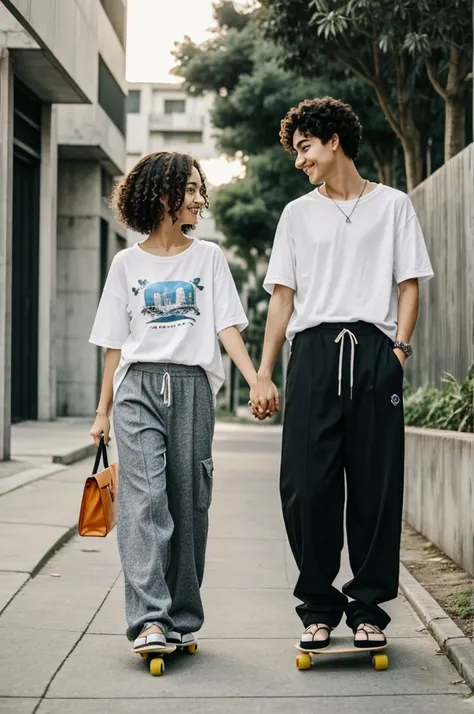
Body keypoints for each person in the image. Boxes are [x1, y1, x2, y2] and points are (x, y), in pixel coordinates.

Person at [250, 97, 434, 651]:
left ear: (333, 140)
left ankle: (369, 609)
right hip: (313, 354)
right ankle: (319, 606)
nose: (299, 161)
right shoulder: (296, 215)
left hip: (375, 352)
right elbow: (282, 300)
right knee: (306, 488)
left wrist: (397, 352)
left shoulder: (394, 206)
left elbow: (409, 284)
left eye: (305, 148)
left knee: (376, 486)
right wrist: (264, 373)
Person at [89, 151, 274, 654]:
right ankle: (149, 618)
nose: (198, 199)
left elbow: (226, 327)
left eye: (199, 189)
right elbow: (114, 343)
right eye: (189, 190)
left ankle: (180, 617)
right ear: (161, 194)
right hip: (138, 389)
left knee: (190, 502)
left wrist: (256, 377)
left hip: (192, 387)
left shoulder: (208, 256)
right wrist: (103, 411)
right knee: (145, 500)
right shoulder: (126, 263)